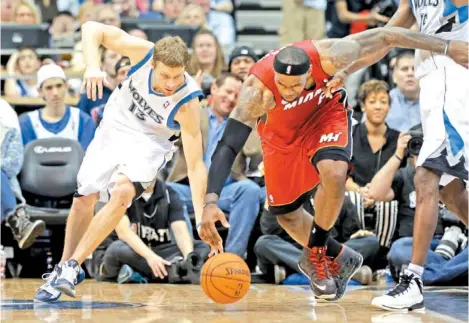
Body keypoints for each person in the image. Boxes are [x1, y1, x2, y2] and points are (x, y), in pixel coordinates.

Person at [198, 26, 468, 302]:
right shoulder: (256, 91)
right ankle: (337, 254)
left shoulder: (329, 55)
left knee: (334, 171)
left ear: (310, 73)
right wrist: (210, 201)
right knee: (286, 215)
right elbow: (228, 145)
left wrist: (447, 47)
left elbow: (389, 37)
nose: (289, 91)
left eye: (296, 85)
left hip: (324, 115)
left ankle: (315, 253)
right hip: (281, 138)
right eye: (283, 84)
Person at [34, 21, 206, 303]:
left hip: (151, 142)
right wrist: (92, 66)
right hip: (117, 124)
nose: (171, 83)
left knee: (123, 193)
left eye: (178, 76)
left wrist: (200, 215)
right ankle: (64, 267)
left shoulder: (187, 101)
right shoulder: (144, 52)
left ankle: (72, 265)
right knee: (84, 198)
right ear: (153, 64)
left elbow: (196, 164)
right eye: (165, 76)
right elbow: (91, 28)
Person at [365, 0, 469, 312]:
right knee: (450, 192)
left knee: (426, 175)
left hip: (456, 82)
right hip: (433, 85)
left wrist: (399, 38)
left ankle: (413, 280)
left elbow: (396, 36)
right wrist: (343, 67)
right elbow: (386, 35)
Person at [97, 179, 209, 284]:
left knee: (202, 247)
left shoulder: (169, 193)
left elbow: (180, 229)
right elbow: (124, 233)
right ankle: (173, 272)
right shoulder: (123, 191)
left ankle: (144, 274)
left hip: (157, 251)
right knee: (116, 249)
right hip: (132, 252)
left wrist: (189, 258)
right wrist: (150, 257)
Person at [19, 64, 97, 151]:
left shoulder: (83, 121)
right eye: (49, 88)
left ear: (66, 86)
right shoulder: (27, 123)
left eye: (59, 86)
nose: (55, 93)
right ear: (40, 91)